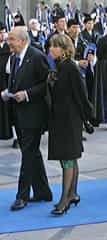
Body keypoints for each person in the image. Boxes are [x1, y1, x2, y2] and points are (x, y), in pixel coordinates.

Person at [1, 26, 52, 211]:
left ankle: (21, 196)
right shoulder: (14, 58)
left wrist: (27, 94)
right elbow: (16, 81)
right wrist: (9, 92)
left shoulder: (37, 57)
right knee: (32, 153)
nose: (9, 43)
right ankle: (43, 191)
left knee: (28, 154)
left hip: (34, 115)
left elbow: (46, 84)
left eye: (11, 39)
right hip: (19, 114)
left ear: (22, 40)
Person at [47, 34, 93, 215]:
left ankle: (64, 199)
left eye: (55, 46)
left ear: (64, 49)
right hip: (60, 119)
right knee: (69, 158)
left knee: (67, 158)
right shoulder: (59, 66)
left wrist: (88, 117)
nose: (51, 49)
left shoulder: (70, 67)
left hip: (69, 119)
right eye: (51, 46)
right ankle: (72, 193)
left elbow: (81, 95)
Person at [0, 22, 13, 142]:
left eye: (3, 32)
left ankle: (6, 132)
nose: (2, 34)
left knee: (5, 108)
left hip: (5, 81)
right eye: (0, 32)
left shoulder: (8, 47)